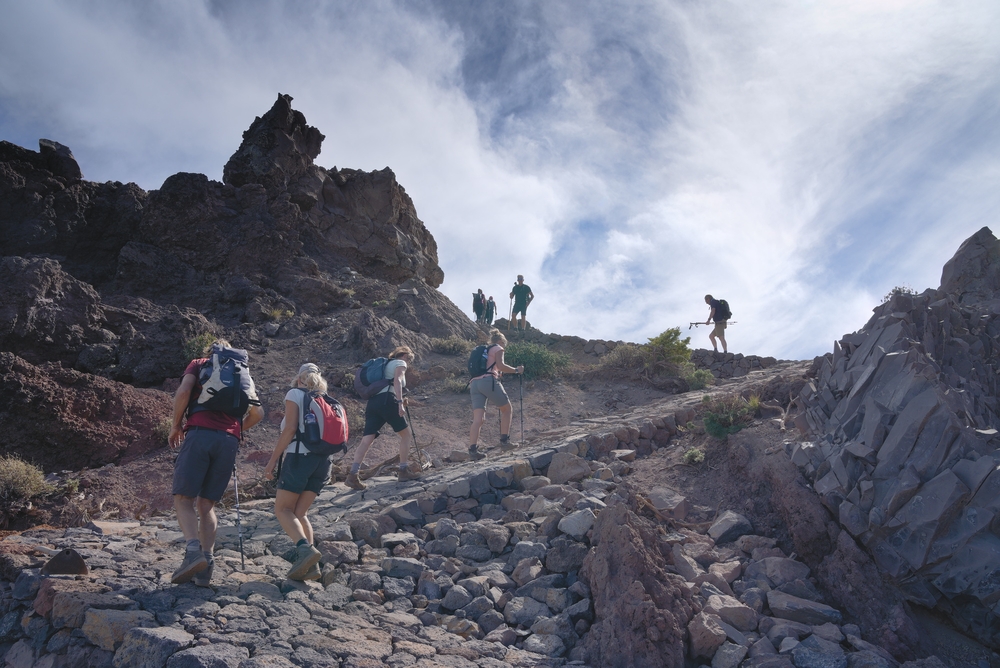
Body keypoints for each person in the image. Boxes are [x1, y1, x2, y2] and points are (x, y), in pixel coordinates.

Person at [168, 339, 263, 586]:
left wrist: (176, 425)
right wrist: (235, 431)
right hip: (228, 442)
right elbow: (258, 414)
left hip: (200, 433)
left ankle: (191, 552)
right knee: (207, 504)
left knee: (183, 497)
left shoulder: (200, 364)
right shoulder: (243, 373)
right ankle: (206, 565)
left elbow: (184, 392)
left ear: (209, 352)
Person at [262, 363, 333, 581]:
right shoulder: (326, 400)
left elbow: (291, 428)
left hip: (299, 458)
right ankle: (311, 568)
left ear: (299, 379)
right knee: (299, 513)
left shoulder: (295, 393)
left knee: (282, 509)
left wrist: (272, 461)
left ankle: (305, 551)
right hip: (324, 462)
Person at [345, 346, 420, 489]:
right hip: (388, 401)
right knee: (406, 435)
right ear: (403, 355)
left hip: (373, 403)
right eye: (409, 358)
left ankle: (352, 475)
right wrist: (399, 403)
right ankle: (403, 471)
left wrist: (399, 398)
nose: (408, 362)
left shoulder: (384, 365)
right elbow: (397, 381)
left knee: (367, 439)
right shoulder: (400, 363)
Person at [467, 329, 524, 459]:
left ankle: (472, 451)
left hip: (474, 384)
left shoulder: (484, 350)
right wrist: (516, 370)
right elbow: (501, 365)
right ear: (500, 341)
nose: (504, 347)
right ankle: (505, 442)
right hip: (488, 381)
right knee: (507, 409)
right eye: (504, 344)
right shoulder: (497, 348)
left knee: (478, 419)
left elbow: (496, 367)